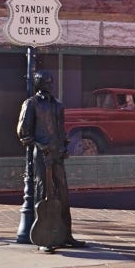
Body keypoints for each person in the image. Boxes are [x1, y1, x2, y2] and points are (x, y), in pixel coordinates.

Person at [17, 71, 87, 251]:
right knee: (43, 193)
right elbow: (23, 133)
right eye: (45, 82)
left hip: (57, 154)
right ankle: (45, 239)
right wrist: (40, 146)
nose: (49, 85)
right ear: (38, 84)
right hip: (41, 155)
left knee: (63, 193)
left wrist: (64, 146)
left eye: (51, 82)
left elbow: (61, 129)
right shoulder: (31, 104)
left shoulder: (57, 105)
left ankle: (66, 235)